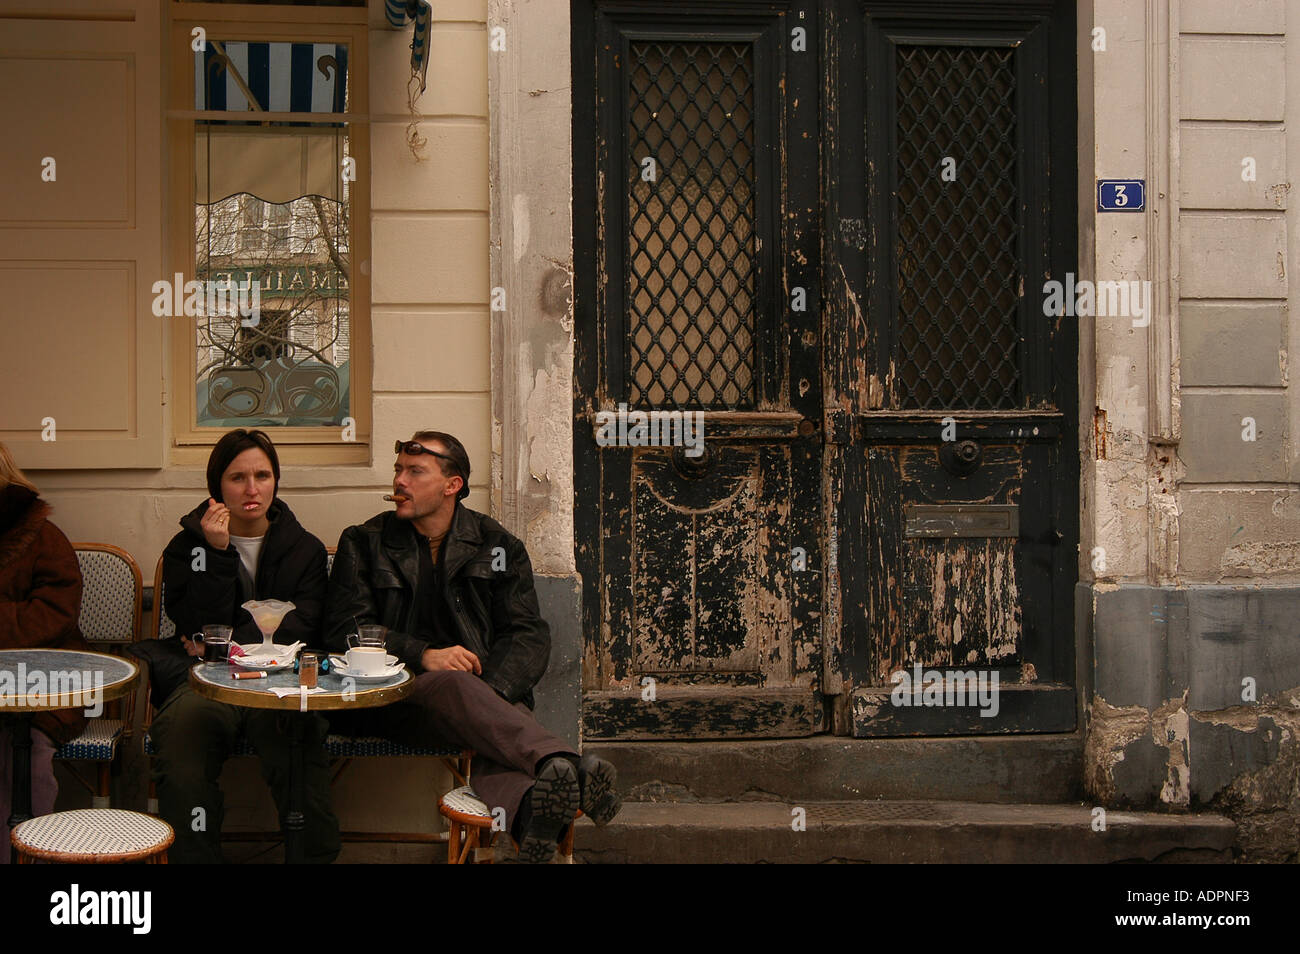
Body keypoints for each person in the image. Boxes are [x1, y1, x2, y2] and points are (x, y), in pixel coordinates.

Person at [326, 430, 621, 862]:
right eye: (398, 471)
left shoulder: (497, 546)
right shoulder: (365, 542)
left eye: (414, 472)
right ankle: (568, 765)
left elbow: (527, 635)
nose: (400, 482)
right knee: (455, 687)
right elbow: (344, 628)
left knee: (481, 716)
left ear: (452, 485)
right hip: (388, 700)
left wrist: (490, 695)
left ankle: (528, 820)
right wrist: (421, 654)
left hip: (473, 702)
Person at [152, 429, 340, 863]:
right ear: (217, 486)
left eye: (262, 475)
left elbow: (303, 626)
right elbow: (194, 625)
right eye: (238, 477)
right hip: (207, 682)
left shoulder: (305, 549)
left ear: (276, 480)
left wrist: (226, 642)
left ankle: (312, 856)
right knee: (181, 746)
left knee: (297, 743)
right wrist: (217, 555)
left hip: (280, 684)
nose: (252, 489)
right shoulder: (189, 548)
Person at [0, 443, 89, 864]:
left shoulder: (40, 536)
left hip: (50, 681)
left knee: (25, 754)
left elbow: (53, 616)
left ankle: (25, 857)